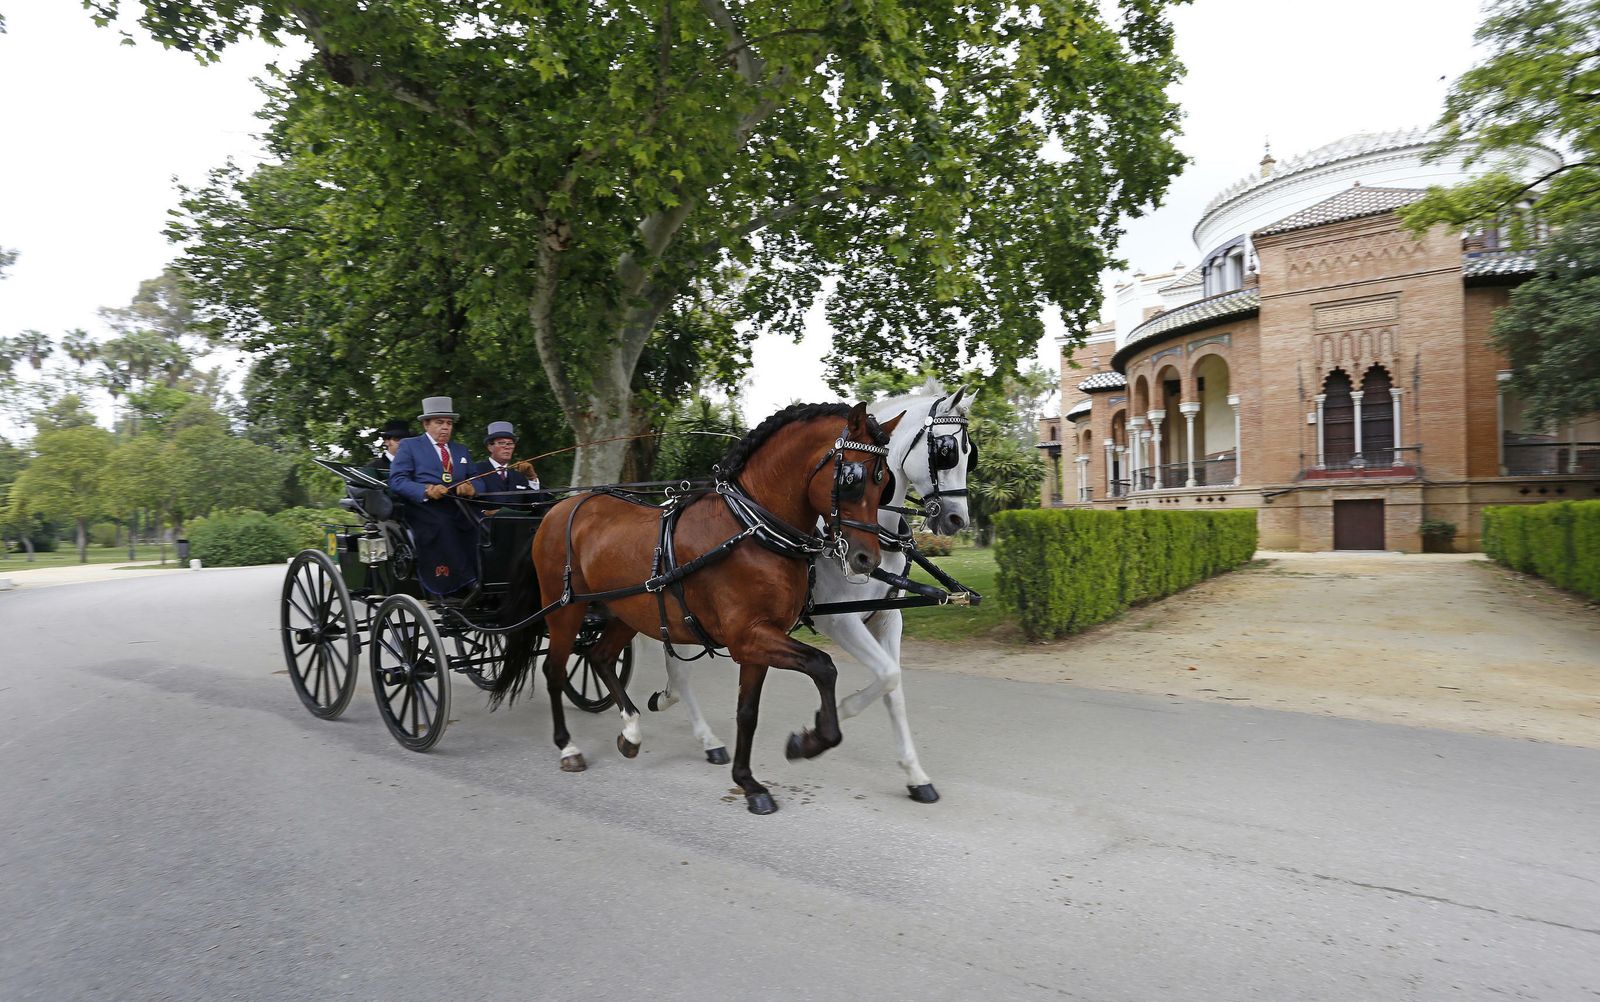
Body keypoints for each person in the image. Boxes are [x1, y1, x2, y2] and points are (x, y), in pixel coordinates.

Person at [388, 396, 480, 595]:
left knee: (483, 524)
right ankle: (466, 580)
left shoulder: (460, 450)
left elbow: (478, 478)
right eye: (439, 422)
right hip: (424, 508)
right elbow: (397, 481)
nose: (445, 428)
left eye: (449, 423)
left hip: (459, 506)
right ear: (426, 424)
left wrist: (472, 487)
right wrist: (426, 490)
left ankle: (488, 576)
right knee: (443, 525)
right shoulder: (410, 446)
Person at [471, 421, 539, 499]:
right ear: (490, 447)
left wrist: (532, 478)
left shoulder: (518, 475)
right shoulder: (476, 471)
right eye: (502, 443)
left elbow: (535, 503)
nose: (507, 447)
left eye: (510, 443)